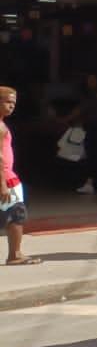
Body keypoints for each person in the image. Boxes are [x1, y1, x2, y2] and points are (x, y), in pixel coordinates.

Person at [0, 87, 34, 266]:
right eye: (7, 102)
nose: (12, 106)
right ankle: (15, 255)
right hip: (7, 178)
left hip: (6, 177)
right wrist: (3, 184)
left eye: (13, 103)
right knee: (16, 214)